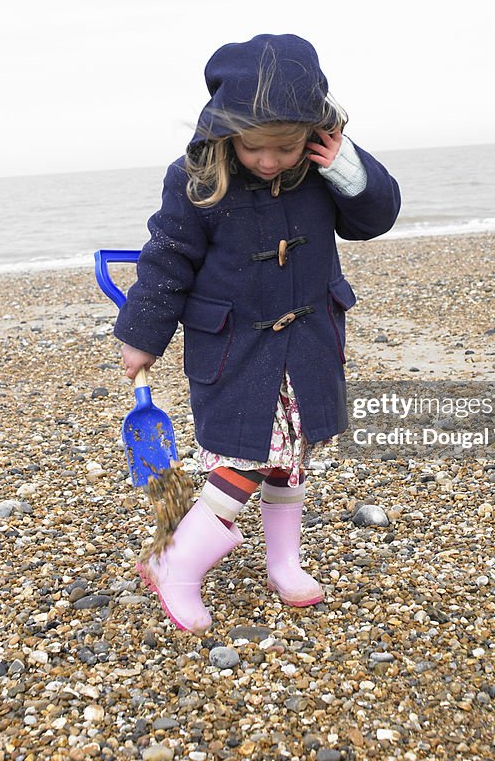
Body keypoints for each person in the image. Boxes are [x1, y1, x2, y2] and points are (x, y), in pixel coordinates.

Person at [115, 33, 401, 632]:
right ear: (225, 132)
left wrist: (347, 167)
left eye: (285, 147)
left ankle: (284, 562)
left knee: (289, 459)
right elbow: (167, 258)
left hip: (309, 342)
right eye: (254, 148)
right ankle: (175, 562)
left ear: (316, 132)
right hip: (236, 347)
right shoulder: (198, 178)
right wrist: (142, 334)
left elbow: (374, 218)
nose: (269, 161)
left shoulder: (324, 171)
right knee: (247, 457)